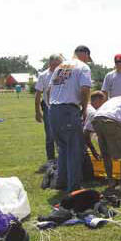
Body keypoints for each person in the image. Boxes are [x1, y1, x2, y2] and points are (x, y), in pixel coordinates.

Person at [47, 45, 92, 192]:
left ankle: (61, 181)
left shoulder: (60, 67)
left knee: (63, 149)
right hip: (68, 110)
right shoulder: (83, 67)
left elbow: (48, 91)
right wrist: (84, 108)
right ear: (84, 55)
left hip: (53, 110)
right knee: (74, 149)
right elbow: (85, 89)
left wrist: (51, 108)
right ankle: (74, 187)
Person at [35, 54, 63, 170]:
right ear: (49, 64)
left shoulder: (64, 73)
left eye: (58, 64)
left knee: (62, 135)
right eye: (54, 64)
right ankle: (51, 160)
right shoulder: (43, 75)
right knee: (50, 135)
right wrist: (37, 111)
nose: (57, 66)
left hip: (62, 107)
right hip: (48, 108)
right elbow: (38, 94)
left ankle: (62, 158)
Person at [83, 90, 107, 160]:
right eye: (103, 102)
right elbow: (85, 135)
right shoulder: (94, 114)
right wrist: (94, 151)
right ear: (97, 101)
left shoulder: (87, 106)